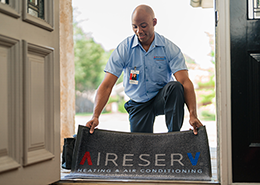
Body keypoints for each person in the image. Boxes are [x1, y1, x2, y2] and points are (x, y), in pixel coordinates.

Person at [86, 4, 203, 135]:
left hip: (161, 99)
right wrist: (95, 116)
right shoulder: (124, 49)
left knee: (175, 87)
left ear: (154, 22)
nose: (139, 31)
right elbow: (107, 85)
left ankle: (173, 136)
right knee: (141, 147)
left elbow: (185, 82)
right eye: (134, 27)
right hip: (138, 103)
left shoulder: (169, 48)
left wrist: (193, 114)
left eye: (143, 26)